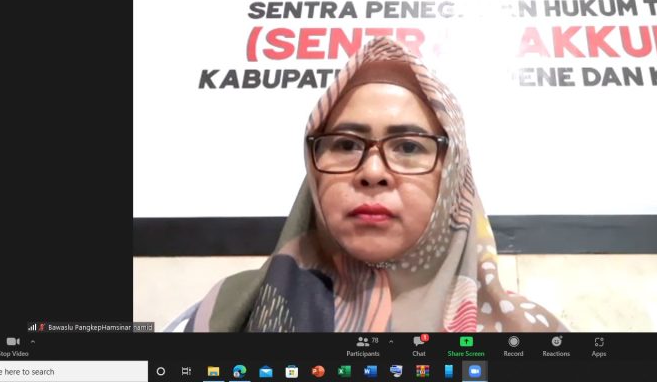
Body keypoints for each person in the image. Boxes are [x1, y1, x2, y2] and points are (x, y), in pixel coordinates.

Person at [170, 37, 566, 333]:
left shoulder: (534, 336)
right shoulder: (225, 312)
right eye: (345, 144)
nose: (373, 171)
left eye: (408, 146)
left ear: (451, 175)